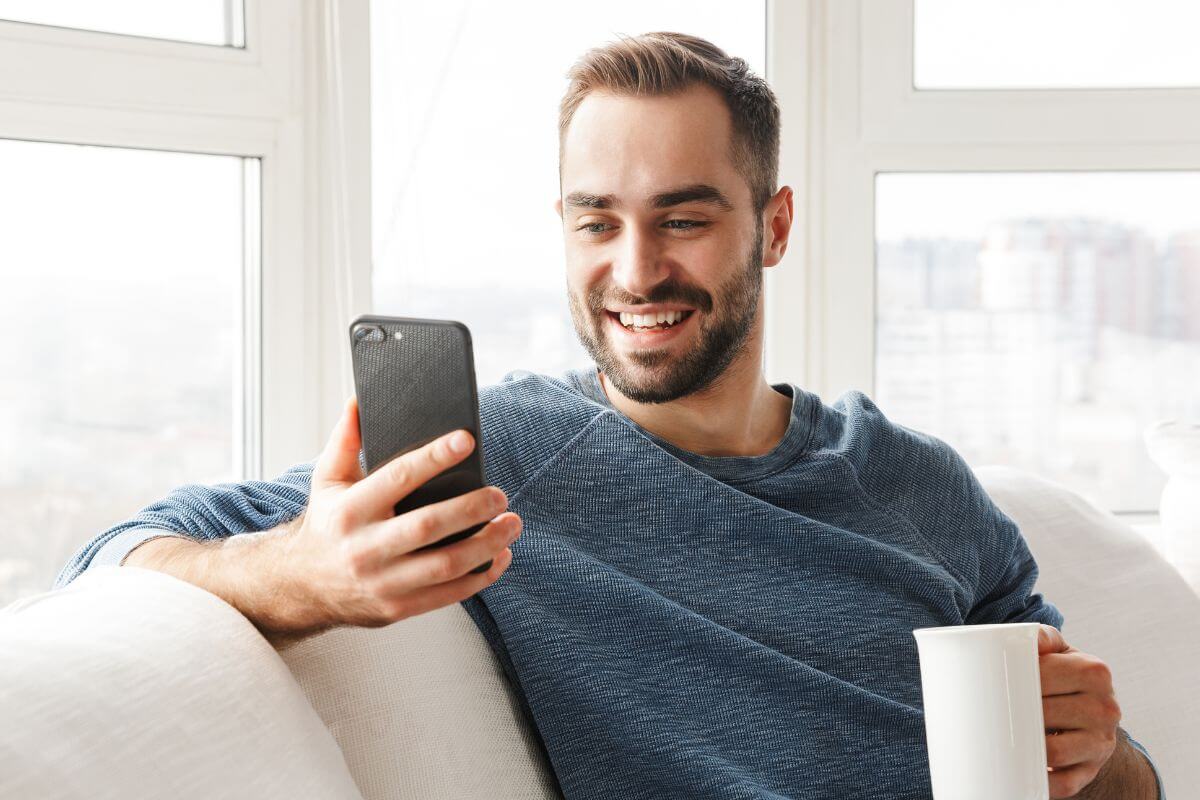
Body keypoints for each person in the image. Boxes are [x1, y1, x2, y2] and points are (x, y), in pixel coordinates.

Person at [55, 32, 1164, 800]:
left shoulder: (919, 484)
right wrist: (308, 574)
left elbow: (1111, 775)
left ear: (772, 226)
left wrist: (1101, 752)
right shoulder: (505, 456)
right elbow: (117, 550)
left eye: (682, 218)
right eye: (598, 223)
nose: (637, 271)